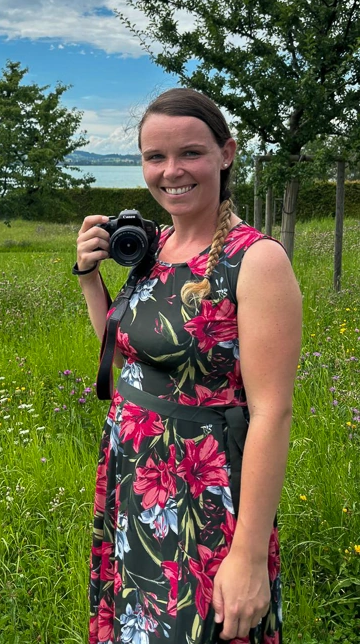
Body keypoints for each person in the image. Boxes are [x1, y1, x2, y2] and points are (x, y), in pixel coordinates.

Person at [75, 88, 302, 644]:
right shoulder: (153, 246)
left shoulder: (255, 259)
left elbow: (273, 412)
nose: (171, 171)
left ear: (226, 153)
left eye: (190, 153)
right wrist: (88, 277)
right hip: (136, 477)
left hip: (206, 489)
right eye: (155, 157)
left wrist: (248, 557)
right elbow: (126, 350)